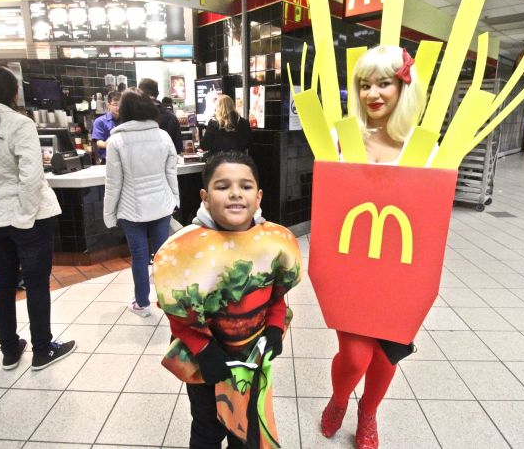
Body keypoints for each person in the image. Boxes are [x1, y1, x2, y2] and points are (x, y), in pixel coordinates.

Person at [154, 151, 302, 448]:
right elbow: (178, 314)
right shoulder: (181, 249)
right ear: (205, 196)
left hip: (252, 356)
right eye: (222, 187)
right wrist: (203, 349)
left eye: (245, 186)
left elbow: (276, 293)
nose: (235, 194)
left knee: (245, 427)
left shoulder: (275, 241)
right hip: (205, 359)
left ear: (258, 196)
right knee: (208, 427)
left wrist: (274, 327)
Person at [320, 45, 425, 449]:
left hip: (403, 269)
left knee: (386, 356)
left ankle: (368, 414)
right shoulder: (343, 139)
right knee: (355, 356)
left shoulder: (423, 147)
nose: (373, 94)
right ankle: (340, 399)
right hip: (353, 267)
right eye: (365, 85)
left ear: (403, 87)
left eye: (384, 83)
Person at [0, 61, 76, 371]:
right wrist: (23, 215)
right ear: (13, 90)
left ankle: (9, 350)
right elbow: (31, 176)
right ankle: (43, 349)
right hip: (30, 217)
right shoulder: (20, 124)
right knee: (36, 283)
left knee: (3, 284)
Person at [103, 88, 179, 317]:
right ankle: (169, 300)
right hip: (161, 205)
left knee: (139, 257)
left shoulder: (116, 141)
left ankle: (142, 304)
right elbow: (171, 173)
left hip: (131, 209)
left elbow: (113, 183)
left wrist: (109, 214)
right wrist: (174, 199)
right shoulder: (163, 136)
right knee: (163, 255)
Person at [138, 78, 183, 153]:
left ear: (139, 93)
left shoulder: (135, 116)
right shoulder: (172, 117)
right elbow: (178, 148)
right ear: (157, 93)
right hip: (165, 162)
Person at [91, 91, 121, 164]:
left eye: (121, 104)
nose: (118, 107)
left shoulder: (127, 120)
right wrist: (112, 144)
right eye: (115, 104)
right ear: (108, 105)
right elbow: (98, 142)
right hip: (108, 160)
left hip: (125, 158)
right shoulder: (100, 121)